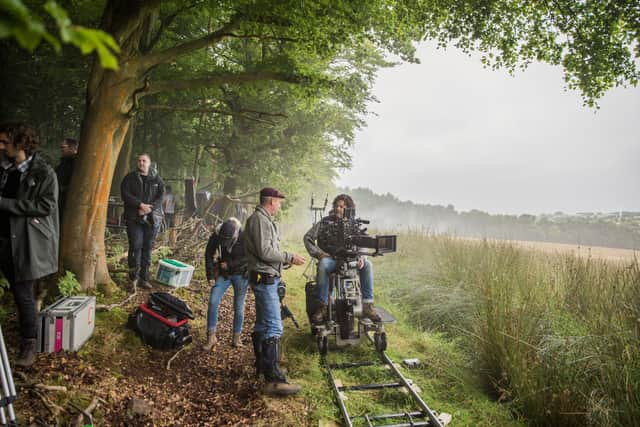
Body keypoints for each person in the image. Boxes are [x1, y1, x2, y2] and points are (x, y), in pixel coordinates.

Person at [0, 123, 59, 367]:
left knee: (22, 294)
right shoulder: (5, 169)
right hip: (3, 240)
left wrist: (5, 204)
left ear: (21, 143)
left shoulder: (44, 173)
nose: (1, 146)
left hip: (24, 244)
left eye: (4, 142)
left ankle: (29, 344)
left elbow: (46, 206)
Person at [244, 187, 305, 396]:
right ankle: (274, 381)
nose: (280, 205)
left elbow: (265, 252)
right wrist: (289, 257)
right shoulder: (260, 220)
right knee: (274, 327)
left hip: (266, 278)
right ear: (271, 201)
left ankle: (263, 367)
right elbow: (265, 251)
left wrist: (284, 262)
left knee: (262, 325)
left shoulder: (263, 219)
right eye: (279, 202)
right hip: (265, 281)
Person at [303, 194, 381, 324]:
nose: (339, 209)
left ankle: (367, 305)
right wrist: (319, 253)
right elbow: (307, 238)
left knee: (368, 265)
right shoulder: (325, 222)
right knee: (323, 265)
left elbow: (363, 242)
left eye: (343, 207)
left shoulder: (354, 223)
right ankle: (323, 306)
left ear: (350, 209)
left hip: (351, 260)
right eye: (337, 206)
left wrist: (362, 256)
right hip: (331, 259)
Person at [120, 153, 165, 290]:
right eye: (139, 160)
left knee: (147, 248)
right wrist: (140, 205)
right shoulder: (130, 178)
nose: (141, 163)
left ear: (149, 163)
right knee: (135, 246)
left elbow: (161, 197)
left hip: (152, 219)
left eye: (144, 161)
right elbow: (125, 194)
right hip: (134, 217)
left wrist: (149, 209)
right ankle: (133, 278)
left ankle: (144, 279)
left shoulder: (157, 179)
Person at [203, 217, 248, 350]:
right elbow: (209, 254)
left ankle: (236, 338)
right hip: (224, 274)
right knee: (213, 301)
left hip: (241, 274)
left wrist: (230, 264)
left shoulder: (244, 235)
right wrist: (210, 275)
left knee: (239, 306)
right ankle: (211, 337)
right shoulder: (217, 234)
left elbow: (249, 256)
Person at [54, 137, 78, 222]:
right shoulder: (64, 162)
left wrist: (64, 188)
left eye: (63, 147)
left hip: (66, 201)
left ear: (72, 148)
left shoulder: (76, 163)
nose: (61, 149)